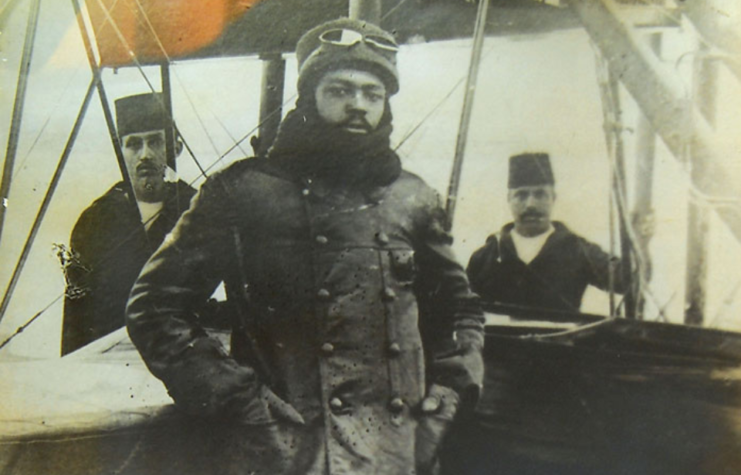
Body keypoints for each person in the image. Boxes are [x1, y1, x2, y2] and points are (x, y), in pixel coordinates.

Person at [126, 18, 484, 475]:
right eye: (339, 90)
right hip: (288, 453)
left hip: (399, 454)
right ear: (310, 95)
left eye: (372, 94)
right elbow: (154, 309)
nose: (358, 105)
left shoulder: (411, 197)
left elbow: (460, 309)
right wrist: (240, 400)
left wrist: (451, 389)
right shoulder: (242, 192)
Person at [61, 93, 196, 355]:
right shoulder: (95, 221)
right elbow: (77, 317)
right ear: (121, 152)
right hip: (112, 362)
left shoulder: (197, 209)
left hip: (183, 356)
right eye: (133, 144)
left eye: (155, 141)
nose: (145, 154)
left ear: (175, 148)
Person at [467, 152, 638, 314]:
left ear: (553, 198)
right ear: (509, 199)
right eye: (521, 195)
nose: (530, 204)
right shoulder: (485, 257)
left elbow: (626, 280)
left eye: (540, 194)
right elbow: (461, 310)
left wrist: (640, 242)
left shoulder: (577, 250)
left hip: (559, 343)